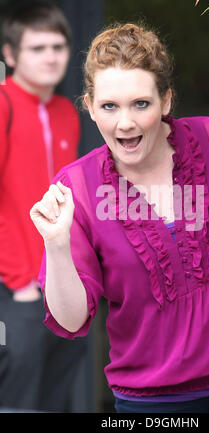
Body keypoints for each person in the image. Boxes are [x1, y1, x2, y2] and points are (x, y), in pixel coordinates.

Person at [30, 23, 209, 413]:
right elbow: (70, 321)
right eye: (109, 106)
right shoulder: (78, 189)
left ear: (166, 100)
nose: (126, 123)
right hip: (154, 401)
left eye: (141, 103)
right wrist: (55, 244)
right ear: (89, 106)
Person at [0, 1, 87, 412]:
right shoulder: (4, 104)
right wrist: (18, 281)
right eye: (37, 48)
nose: (51, 56)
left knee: (57, 398)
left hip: (63, 284)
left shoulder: (66, 111)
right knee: (18, 403)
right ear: (10, 54)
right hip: (16, 291)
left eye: (58, 46)